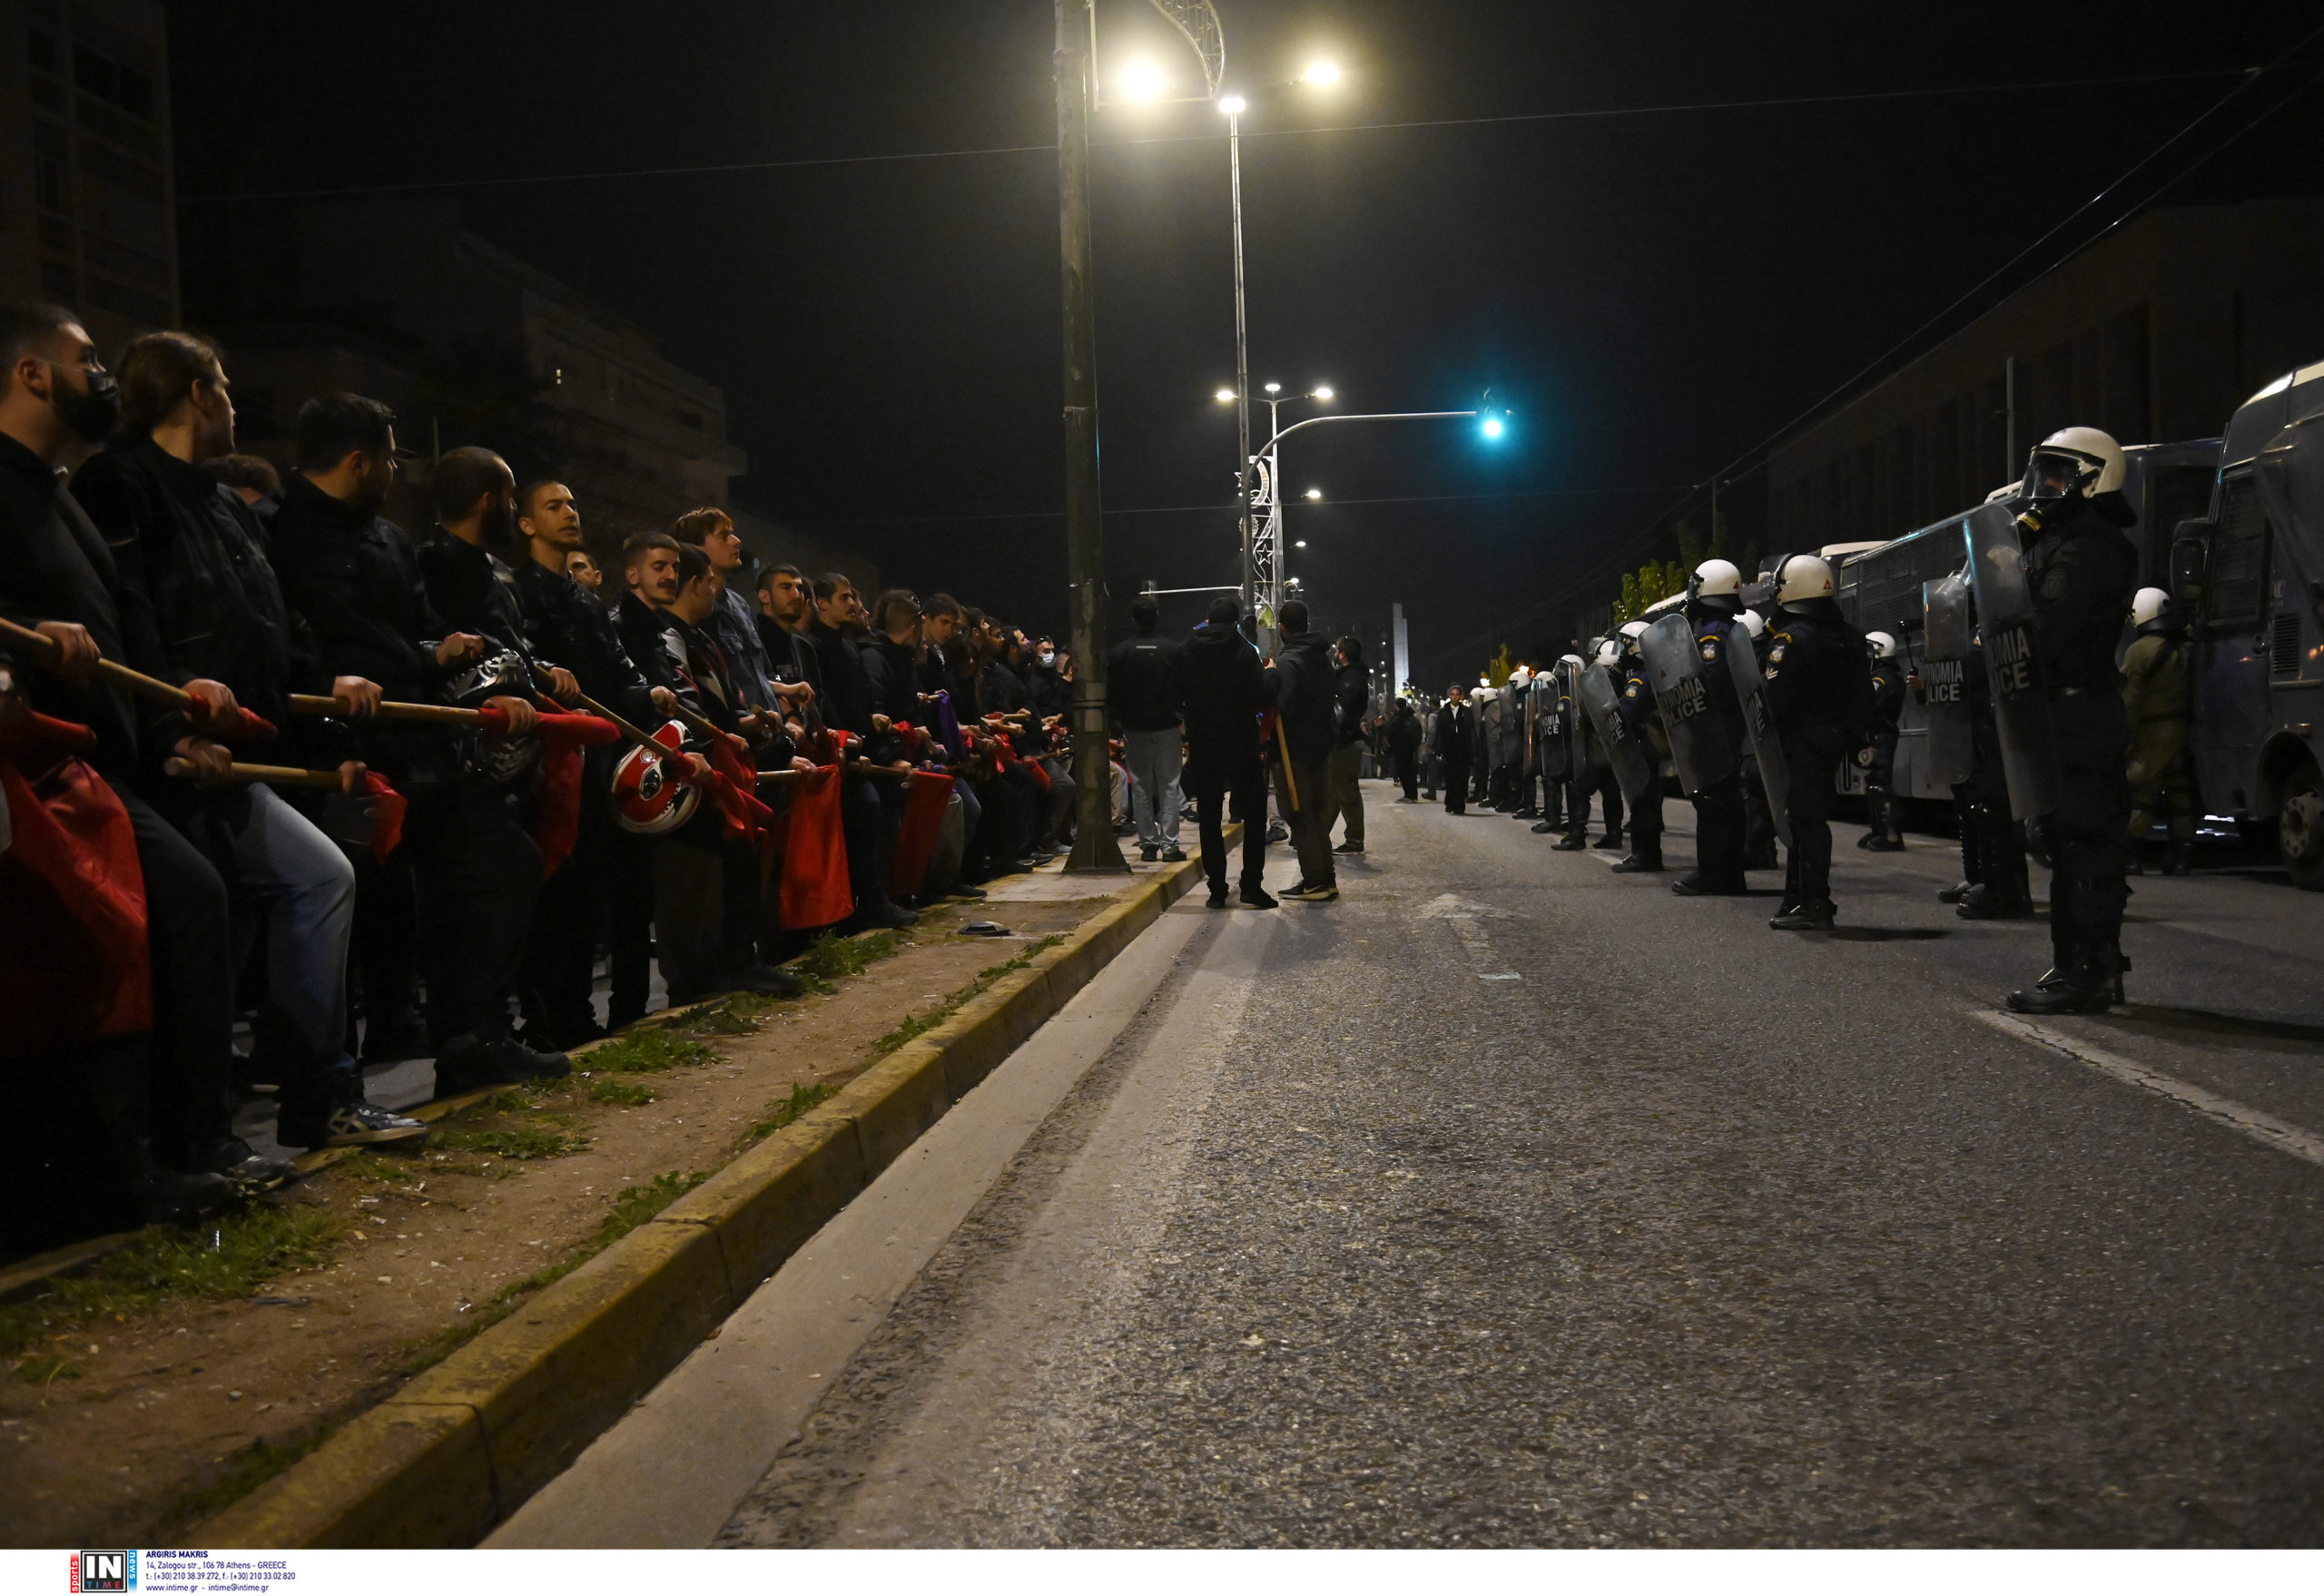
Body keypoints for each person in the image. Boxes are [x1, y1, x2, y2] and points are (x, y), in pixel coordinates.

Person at [72, 330, 424, 1151]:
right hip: (175, 761)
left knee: (320, 879)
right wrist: (170, 727)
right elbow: (127, 617)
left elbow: (269, 621)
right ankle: (196, 1132)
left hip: (241, 759)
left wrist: (321, 690)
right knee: (217, 932)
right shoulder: (119, 484)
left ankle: (318, 1096)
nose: (232, 401)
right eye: (224, 385)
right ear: (196, 393)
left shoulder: (223, 503)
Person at [0, 301, 281, 1212]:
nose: (105, 376)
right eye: (86, 359)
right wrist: (23, 649)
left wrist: (172, 716)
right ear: (32, 373)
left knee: (191, 907)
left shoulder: (59, 493)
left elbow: (128, 637)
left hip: (106, 769)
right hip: (35, 777)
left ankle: (169, 1145)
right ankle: (136, 1163)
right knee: (175, 908)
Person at [273, 395, 562, 1091]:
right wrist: (327, 682)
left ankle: (471, 1036)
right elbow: (275, 635)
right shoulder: (274, 532)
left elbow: (419, 629)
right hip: (330, 753)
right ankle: (327, 1092)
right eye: (392, 457)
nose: (398, 474)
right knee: (350, 917)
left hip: (416, 745)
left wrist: (446, 654)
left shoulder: (388, 541)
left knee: (497, 868)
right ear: (359, 460)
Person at [2002, 428, 2141, 1013]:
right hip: (2067, 706)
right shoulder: (2061, 541)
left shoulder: (2088, 547)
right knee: (2071, 837)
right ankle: (2091, 963)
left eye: (2058, 474)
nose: (2045, 487)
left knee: (2083, 840)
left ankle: (2082, 970)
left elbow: (2049, 629)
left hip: (2079, 709)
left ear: (2093, 477)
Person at [1762, 554, 1867, 930]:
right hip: (1834, 738)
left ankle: (1813, 903)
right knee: (1807, 817)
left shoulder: (1791, 639)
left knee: (1805, 820)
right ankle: (1797, 900)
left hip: (1803, 739)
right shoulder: (1851, 635)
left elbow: (1776, 699)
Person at [1178, 594, 1275, 907]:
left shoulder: (1187, 650)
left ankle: (1217, 889)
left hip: (1204, 742)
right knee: (1255, 812)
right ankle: (1250, 886)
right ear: (1235, 622)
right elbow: (1261, 698)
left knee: (1209, 814)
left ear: (1208, 620)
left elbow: (1176, 693)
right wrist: (1270, 675)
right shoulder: (1245, 651)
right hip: (1241, 742)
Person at [1665, 561, 1750, 895]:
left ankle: (1713, 872)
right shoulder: (1732, 627)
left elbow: (1709, 679)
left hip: (1716, 729)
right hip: (1729, 730)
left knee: (1713, 801)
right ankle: (1730, 873)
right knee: (1727, 802)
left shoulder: (1712, 631)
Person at [2122, 586, 2195, 876]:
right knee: (2180, 795)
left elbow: (2130, 699)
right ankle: (2181, 857)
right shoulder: (2185, 650)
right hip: (2182, 729)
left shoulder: (2139, 652)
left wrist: (2124, 738)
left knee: (2142, 793)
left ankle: (2130, 856)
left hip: (2151, 733)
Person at [1107, 594, 1186, 863]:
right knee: (1170, 785)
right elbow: (1182, 688)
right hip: (1167, 725)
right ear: (1157, 617)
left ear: (1133, 620)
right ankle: (1171, 845)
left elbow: (1112, 693)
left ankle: (1148, 844)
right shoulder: (1173, 650)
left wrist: (1117, 723)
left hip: (1134, 726)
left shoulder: (1119, 653)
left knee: (1141, 784)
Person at [1268, 601, 1338, 901]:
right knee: (1317, 814)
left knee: (1299, 814)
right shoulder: (1321, 659)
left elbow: (1283, 709)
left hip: (1293, 751)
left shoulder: (1289, 662)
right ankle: (1324, 876)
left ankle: (1315, 882)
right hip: (1320, 747)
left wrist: (1269, 679)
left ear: (1282, 627)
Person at [1612, 620, 1666, 874]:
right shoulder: (1651, 672)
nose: (1620, 651)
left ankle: (1646, 856)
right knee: (1647, 804)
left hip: (1644, 748)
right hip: (1651, 748)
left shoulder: (1640, 680)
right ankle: (1646, 854)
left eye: (1624, 645)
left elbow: (1626, 712)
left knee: (1644, 804)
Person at [1857, 630, 1907, 852]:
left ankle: (1890, 835)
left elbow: (1870, 703)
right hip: (1877, 734)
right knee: (1874, 783)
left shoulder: (1883, 678)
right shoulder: (1885, 676)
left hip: (1881, 735)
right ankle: (1879, 830)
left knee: (1881, 785)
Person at [1322, 634, 1370, 857]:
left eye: (1337, 649)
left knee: (1346, 791)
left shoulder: (1351, 678)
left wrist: (1333, 732)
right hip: (1342, 740)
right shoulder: (1350, 675)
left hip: (1345, 742)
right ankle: (1320, 835)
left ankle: (1354, 840)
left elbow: (1343, 711)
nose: (1334, 652)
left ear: (1343, 654)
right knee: (1333, 790)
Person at [1431, 681, 1474, 814]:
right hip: (1448, 750)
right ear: (1449, 695)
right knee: (1450, 778)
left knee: (1462, 778)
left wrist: (1473, 749)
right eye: (1452, 694)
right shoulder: (1443, 712)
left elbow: (1471, 730)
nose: (1455, 697)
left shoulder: (1467, 712)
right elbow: (1439, 732)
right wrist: (1438, 749)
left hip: (1463, 749)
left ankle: (1460, 805)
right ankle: (1450, 803)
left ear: (1461, 696)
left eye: (1457, 694)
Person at [1386, 697, 1422, 801]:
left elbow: (1390, 731)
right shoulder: (1412, 718)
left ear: (1397, 706)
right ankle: (1412, 795)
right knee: (1410, 772)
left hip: (1400, 749)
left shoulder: (1398, 718)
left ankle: (1409, 795)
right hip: (1411, 749)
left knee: (1404, 773)